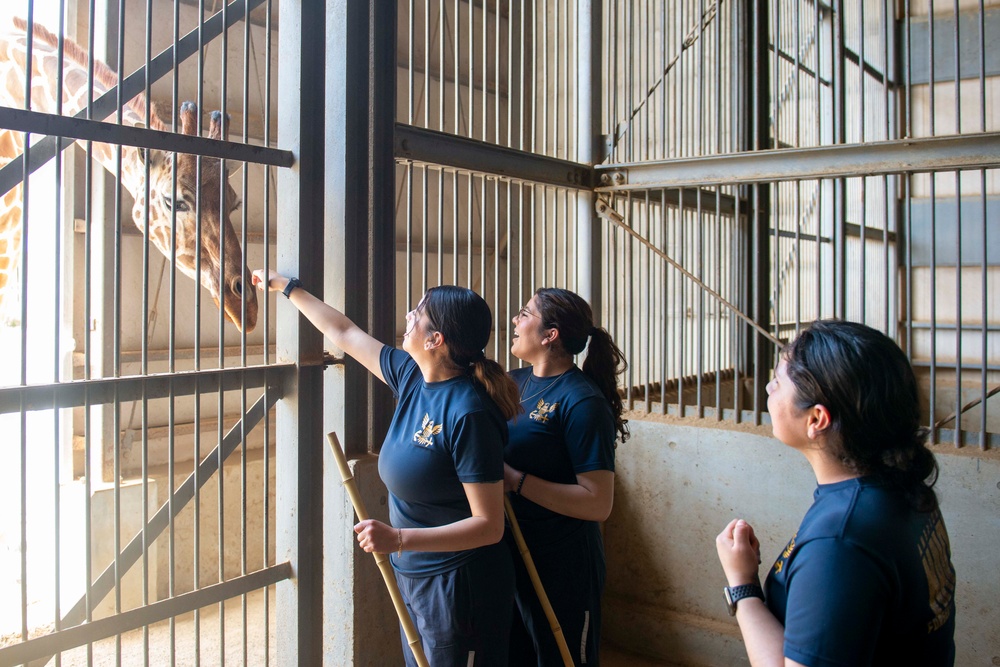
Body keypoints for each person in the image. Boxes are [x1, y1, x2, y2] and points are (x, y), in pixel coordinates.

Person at [252, 270, 519, 667]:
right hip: (413, 575)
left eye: (418, 312)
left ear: (435, 340)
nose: (409, 315)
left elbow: (489, 525)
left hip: (460, 584)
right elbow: (343, 332)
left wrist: (398, 538)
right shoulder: (412, 377)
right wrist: (287, 288)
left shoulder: (468, 413)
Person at [715, 319, 957, 667]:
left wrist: (743, 585)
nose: (768, 389)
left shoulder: (841, 540)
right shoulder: (900, 484)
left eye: (778, 383)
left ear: (816, 419)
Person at [502, 287, 629, 666]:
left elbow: (597, 502)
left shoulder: (582, 401)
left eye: (525, 314)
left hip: (562, 561)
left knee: (562, 658)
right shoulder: (512, 382)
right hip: (510, 549)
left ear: (550, 335)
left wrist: (516, 480)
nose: (515, 320)